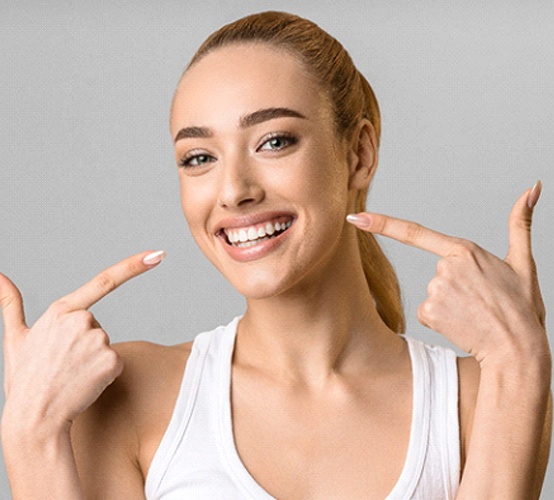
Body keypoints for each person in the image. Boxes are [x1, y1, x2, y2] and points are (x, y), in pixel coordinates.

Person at [1, 10, 551, 499]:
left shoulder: (478, 397)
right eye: (198, 157)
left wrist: (521, 361)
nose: (234, 189)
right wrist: (29, 435)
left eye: (274, 141)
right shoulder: (131, 396)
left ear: (359, 153)